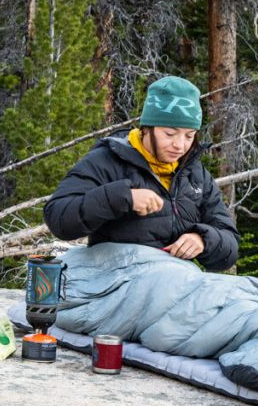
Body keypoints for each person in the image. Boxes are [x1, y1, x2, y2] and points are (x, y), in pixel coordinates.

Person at [43, 76, 240, 272]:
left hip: (176, 281)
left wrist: (204, 239)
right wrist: (122, 197)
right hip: (116, 279)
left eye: (189, 135)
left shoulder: (195, 174)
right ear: (147, 129)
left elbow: (229, 246)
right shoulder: (108, 161)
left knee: (254, 292)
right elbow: (58, 218)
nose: (180, 145)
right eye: (170, 134)